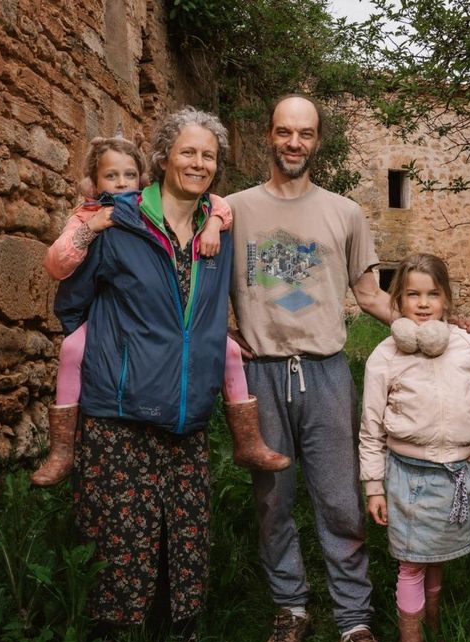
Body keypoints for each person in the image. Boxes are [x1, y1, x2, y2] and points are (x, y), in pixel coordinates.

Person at [52, 107, 240, 642]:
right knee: (118, 531)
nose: (198, 163)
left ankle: (182, 638)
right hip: (120, 410)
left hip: (188, 409)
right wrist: (114, 361)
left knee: (187, 529)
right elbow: (72, 303)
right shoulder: (119, 220)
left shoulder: (219, 229)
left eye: (208, 155)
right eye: (188, 152)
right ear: (162, 157)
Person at [226, 94, 396, 642]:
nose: (293, 143)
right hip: (260, 374)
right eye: (284, 131)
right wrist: (223, 336)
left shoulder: (345, 213)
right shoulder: (233, 210)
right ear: (268, 135)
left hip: (325, 372)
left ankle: (354, 623)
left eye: (304, 133)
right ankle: (290, 608)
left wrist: (435, 326)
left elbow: (370, 295)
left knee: (341, 499)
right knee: (272, 500)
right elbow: (204, 281)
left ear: (318, 140)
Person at [31, 136, 287, 487]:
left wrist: (214, 223)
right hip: (113, 342)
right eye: (111, 176)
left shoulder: (163, 216)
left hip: (180, 393)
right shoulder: (91, 216)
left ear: (142, 178)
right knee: (72, 347)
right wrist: (91, 229)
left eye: (129, 175)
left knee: (230, 351)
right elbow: (62, 274)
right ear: (94, 182)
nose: (121, 184)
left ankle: (247, 439)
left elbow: (219, 204)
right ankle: (62, 449)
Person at [358, 254, 470, 642]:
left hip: (456, 477)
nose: (424, 303)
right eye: (413, 294)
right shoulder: (384, 356)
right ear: (398, 300)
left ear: (446, 299)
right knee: (412, 562)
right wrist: (373, 485)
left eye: (433, 294)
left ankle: (433, 625)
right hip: (408, 477)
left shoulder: (468, 345)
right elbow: (371, 428)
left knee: (437, 557)